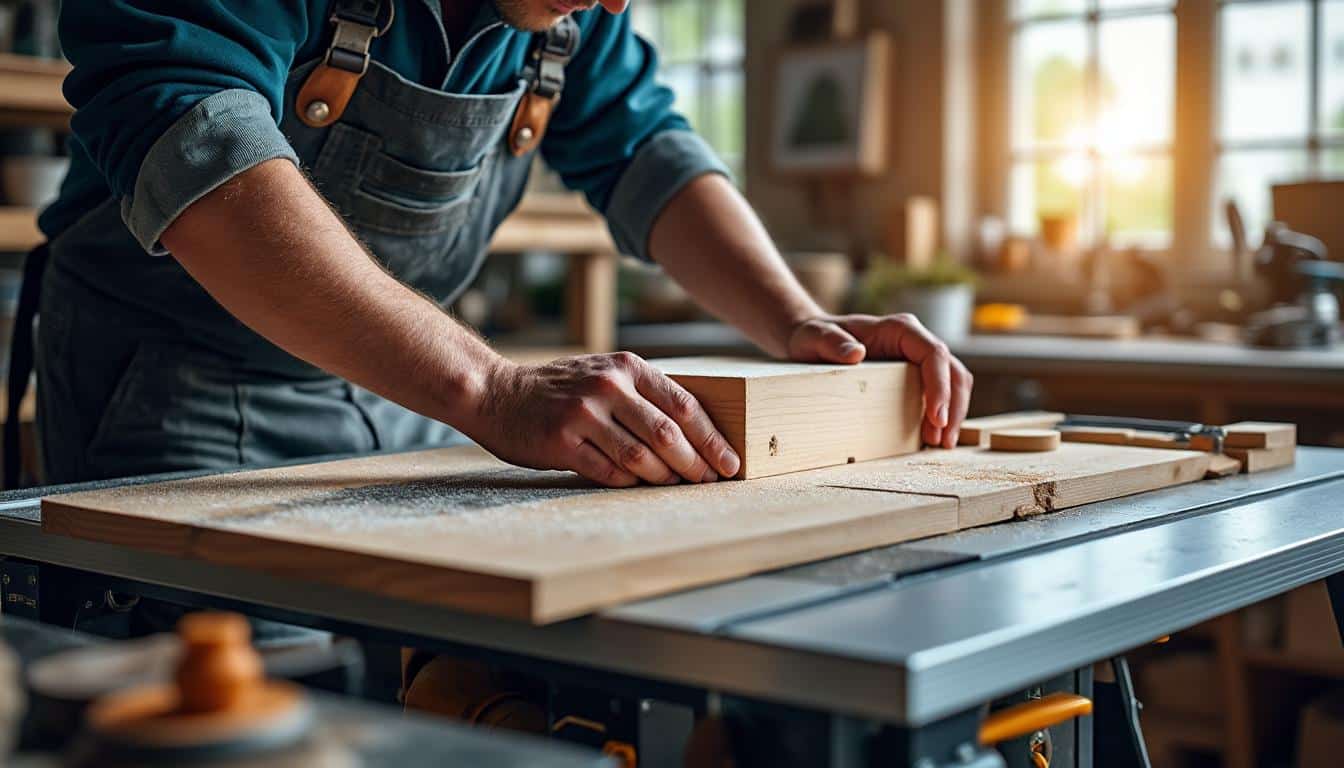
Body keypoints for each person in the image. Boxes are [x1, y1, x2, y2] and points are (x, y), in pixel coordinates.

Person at [23, 0, 971, 643]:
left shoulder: (560, 15)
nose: (608, 5)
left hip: (398, 398)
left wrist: (798, 321)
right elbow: (193, 137)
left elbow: (645, 145)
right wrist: (487, 387)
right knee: (257, 709)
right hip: (172, 392)